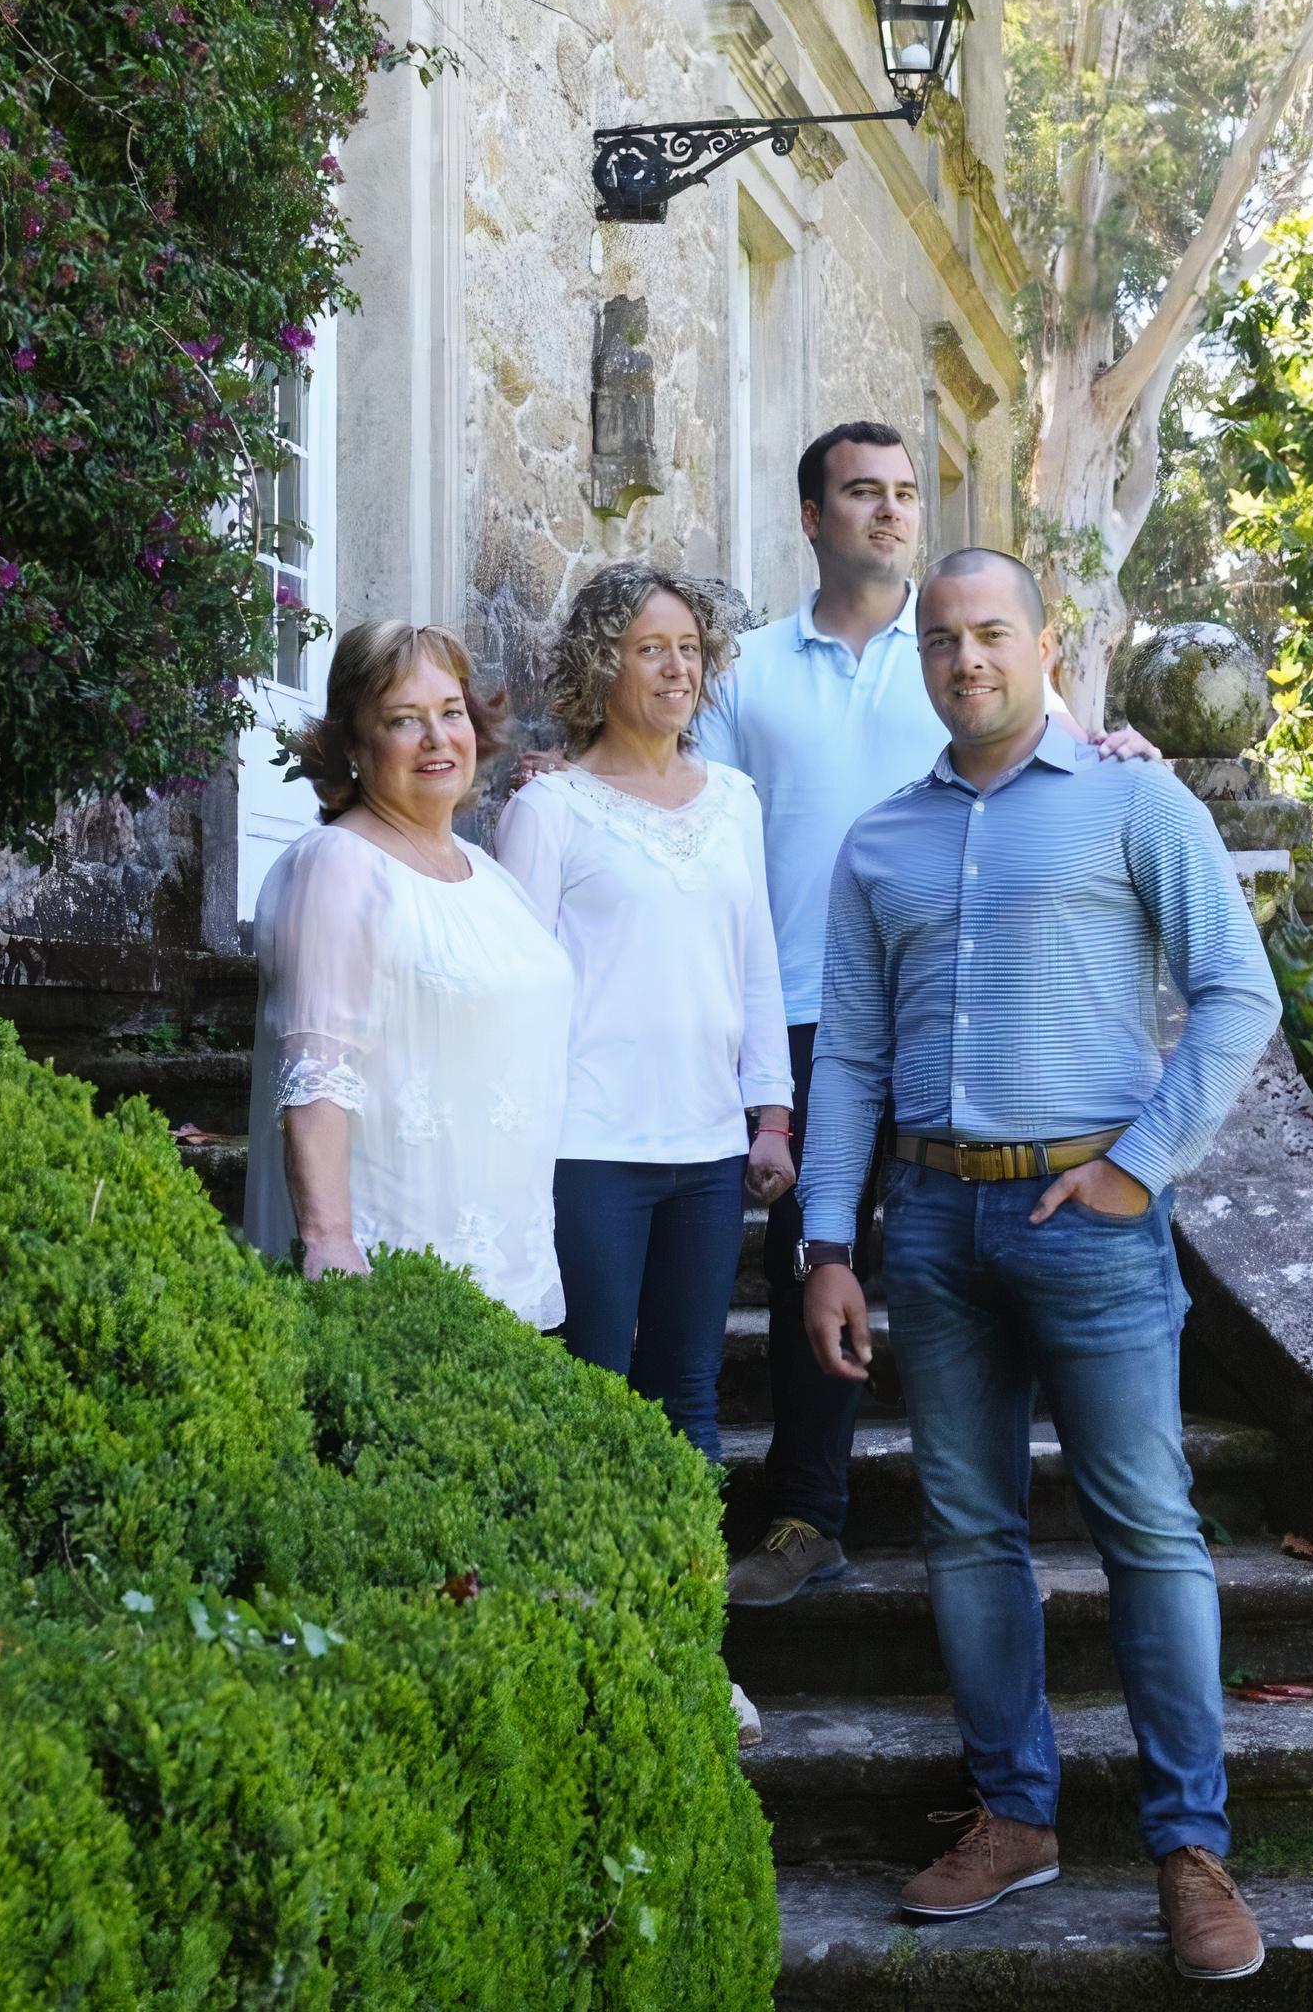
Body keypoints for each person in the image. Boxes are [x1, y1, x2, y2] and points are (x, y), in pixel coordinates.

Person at [798, 548, 1281, 1983]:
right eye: (942, 641)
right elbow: (855, 1063)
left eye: (991, 634)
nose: (966, 661)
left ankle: (1191, 1848)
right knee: (966, 1531)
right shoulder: (877, 844)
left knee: (1148, 1528)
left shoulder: (1139, 799)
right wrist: (831, 1243)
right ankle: (1014, 1815)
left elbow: (1235, 992)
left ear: (1045, 641)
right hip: (934, 1226)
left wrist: (1141, 1161)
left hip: (1094, 1216)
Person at [686, 424, 1160, 1608]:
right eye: (862, 494)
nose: (892, 512)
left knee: (951, 1245)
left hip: (956, 1006)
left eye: (905, 493)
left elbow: (1061, 754)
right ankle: (806, 1512)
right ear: (812, 517)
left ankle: (993, 1493)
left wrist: (1121, 746)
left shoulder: (960, 649)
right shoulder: (744, 668)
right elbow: (678, 795)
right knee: (816, 1252)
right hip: (801, 999)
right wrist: (576, 768)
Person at [495, 563, 794, 1464]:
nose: (678, 669)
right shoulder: (548, 811)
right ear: (601, 666)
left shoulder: (735, 803)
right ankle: (586, 1600)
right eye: (650, 650)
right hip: (586, 1149)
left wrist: (770, 1117)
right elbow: (515, 995)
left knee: (690, 1396)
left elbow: (759, 969)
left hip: (707, 1151)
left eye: (691, 650)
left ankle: (686, 1602)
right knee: (589, 1390)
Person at [244, 620, 574, 1329]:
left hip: (505, 1266)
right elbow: (314, 1076)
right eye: (403, 720)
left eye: (450, 713)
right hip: (391, 1268)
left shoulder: (487, 875)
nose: (436, 738)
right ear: (354, 748)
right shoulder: (335, 867)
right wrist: (330, 1243)